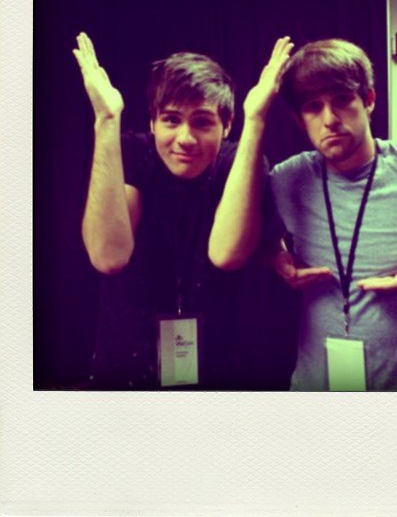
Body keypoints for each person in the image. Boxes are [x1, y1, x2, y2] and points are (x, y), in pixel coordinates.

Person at [73, 32, 292, 390]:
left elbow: (226, 254)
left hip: (220, 367)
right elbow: (108, 255)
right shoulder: (133, 153)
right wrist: (106, 120)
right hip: (126, 368)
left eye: (203, 122)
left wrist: (256, 122)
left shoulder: (236, 160)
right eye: (172, 120)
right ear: (153, 123)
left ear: (227, 125)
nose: (185, 139)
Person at [263, 38, 397, 391]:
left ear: (369, 100)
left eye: (342, 100)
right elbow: (247, 243)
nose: (330, 119)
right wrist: (275, 256)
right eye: (313, 107)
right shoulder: (288, 179)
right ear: (299, 119)